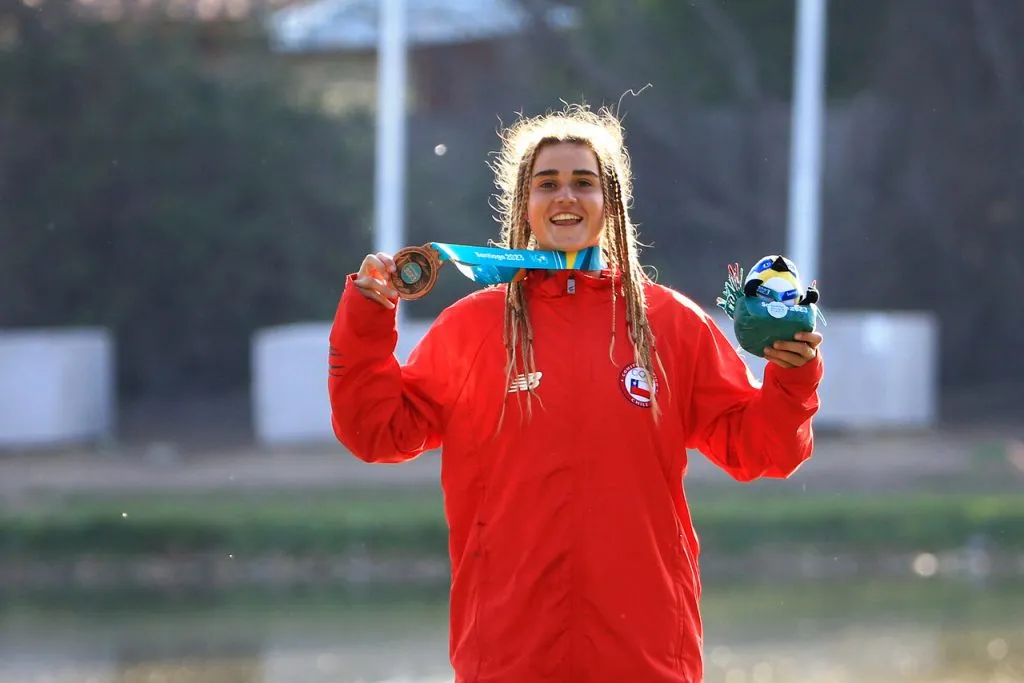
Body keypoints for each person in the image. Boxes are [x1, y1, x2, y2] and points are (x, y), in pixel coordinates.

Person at [328, 103, 823, 683]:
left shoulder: (670, 323)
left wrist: (793, 376)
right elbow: (375, 432)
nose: (565, 196)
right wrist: (368, 317)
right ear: (524, 204)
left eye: (584, 182)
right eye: (547, 184)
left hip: (645, 653)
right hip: (509, 653)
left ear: (610, 202)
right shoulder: (471, 329)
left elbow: (763, 449)